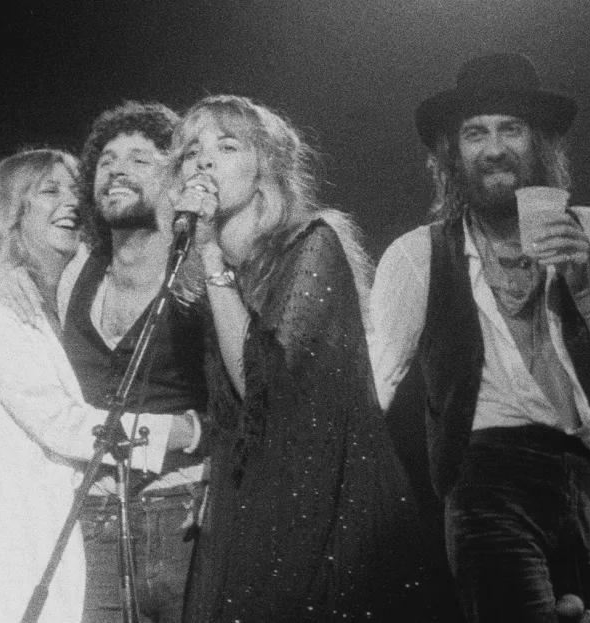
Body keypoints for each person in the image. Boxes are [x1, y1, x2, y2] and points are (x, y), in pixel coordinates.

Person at [369, 53, 590, 622]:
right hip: (485, 479)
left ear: (541, 144)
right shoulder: (415, 256)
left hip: (583, 479)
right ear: (453, 154)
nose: (494, 147)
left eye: (511, 128)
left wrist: (584, 285)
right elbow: (372, 391)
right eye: (475, 132)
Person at [170, 94, 431, 622]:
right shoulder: (211, 275)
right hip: (245, 501)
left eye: (226, 145)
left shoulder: (312, 245)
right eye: (191, 150)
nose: (203, 161)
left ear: (267, 166)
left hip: (322, 505)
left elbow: (263, 385)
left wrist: (211, 257)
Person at [0, 148, 102, 623]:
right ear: (11, 212)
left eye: (76, 190)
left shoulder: (58, 296)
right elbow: (59, 423)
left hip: (56, 511)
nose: (71, 201)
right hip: (10, 516)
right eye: (50, 191)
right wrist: (178, 433)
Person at [66, 101, 208, 623]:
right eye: (106, 160)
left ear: (177, 182)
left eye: (140, 159)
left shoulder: (200, 272)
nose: (117, 170)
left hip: (186, 515)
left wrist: (199, 438)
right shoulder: (75, 277)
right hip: (91, 519)